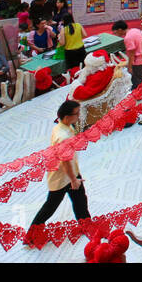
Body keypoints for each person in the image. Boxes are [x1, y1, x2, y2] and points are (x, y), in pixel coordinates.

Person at [27, 100, 91, 237]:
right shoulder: (62, 136)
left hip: (70, 173)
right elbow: (65, 161)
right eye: (76, 113)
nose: (78, 116)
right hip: (63, 177)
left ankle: (86, 224)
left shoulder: (63, 127)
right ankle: (32, 234)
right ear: (67, 116)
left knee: (80, 200)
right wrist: (73, 180)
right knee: (50, 206)